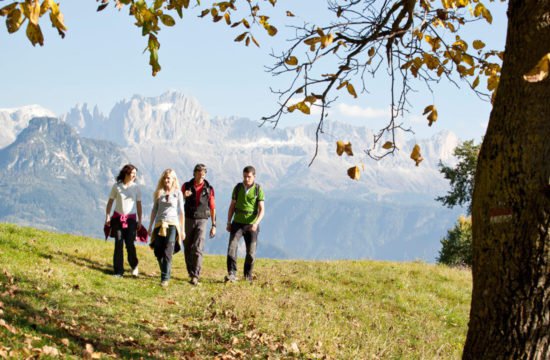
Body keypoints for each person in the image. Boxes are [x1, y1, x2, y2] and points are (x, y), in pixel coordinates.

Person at [225, 165, 265, 283]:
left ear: (254, 176)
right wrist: (228, 221)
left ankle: (248, 276)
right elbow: (232, 206)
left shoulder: (258, 189)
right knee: (232, 247)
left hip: (251, 225)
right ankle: (232, 273)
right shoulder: (237, 188)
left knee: (251, 252)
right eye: (245, 176)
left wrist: (256, 223)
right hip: (237, 222)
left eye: (249, 177)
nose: (246, 179)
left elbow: (262, 209)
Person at [147, 169, 185, 287]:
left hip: (172, 224)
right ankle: (166, 270)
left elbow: (181, 212)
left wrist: (182, 230)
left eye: (168, 178)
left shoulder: (178, 193)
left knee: (168, 250)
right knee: (158, 250)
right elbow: (154, 210)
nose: (166, 180)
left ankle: (165, 278)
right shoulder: (159, 193)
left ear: (173, 179)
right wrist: (150, 226)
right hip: (159, 224)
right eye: (165, 178)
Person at [105, 164, 142, 278]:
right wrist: (107, 216)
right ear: (126, 173)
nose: (134, 176)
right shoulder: (117, 186)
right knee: (118, 243)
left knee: (130, 244)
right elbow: (110, 202)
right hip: (117, 219)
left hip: (131, 219)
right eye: (132, 174)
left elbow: (139, 205)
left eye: (135, 174)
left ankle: (134, 265)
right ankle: (118, 271)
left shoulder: (136, 188)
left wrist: (139, 220)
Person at [182, 164, 216, 285]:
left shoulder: (209, 188)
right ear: (194, 173)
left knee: (198, 247)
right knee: (187, 246)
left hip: (202, 219)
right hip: (188, 219)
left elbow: (212, 207)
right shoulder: (186, 186)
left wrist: (214, 225)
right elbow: (177, 202)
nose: (201, 175)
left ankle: (195, 275)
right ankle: (191, 271)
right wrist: (183, 196)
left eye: (203, 173)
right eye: (199, 172)